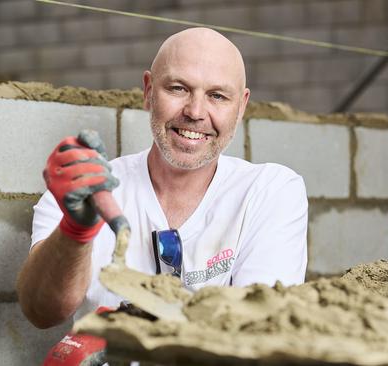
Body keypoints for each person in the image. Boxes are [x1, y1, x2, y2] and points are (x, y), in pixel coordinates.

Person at [16, 27, 308, 330]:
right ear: (148, 91)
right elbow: (42, 312)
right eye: (178, 88)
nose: (195, 112)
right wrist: (75, 231)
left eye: (217, 96)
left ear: (241, 107)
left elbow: (262, 329)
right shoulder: (87, 190)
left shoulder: (269, 192)